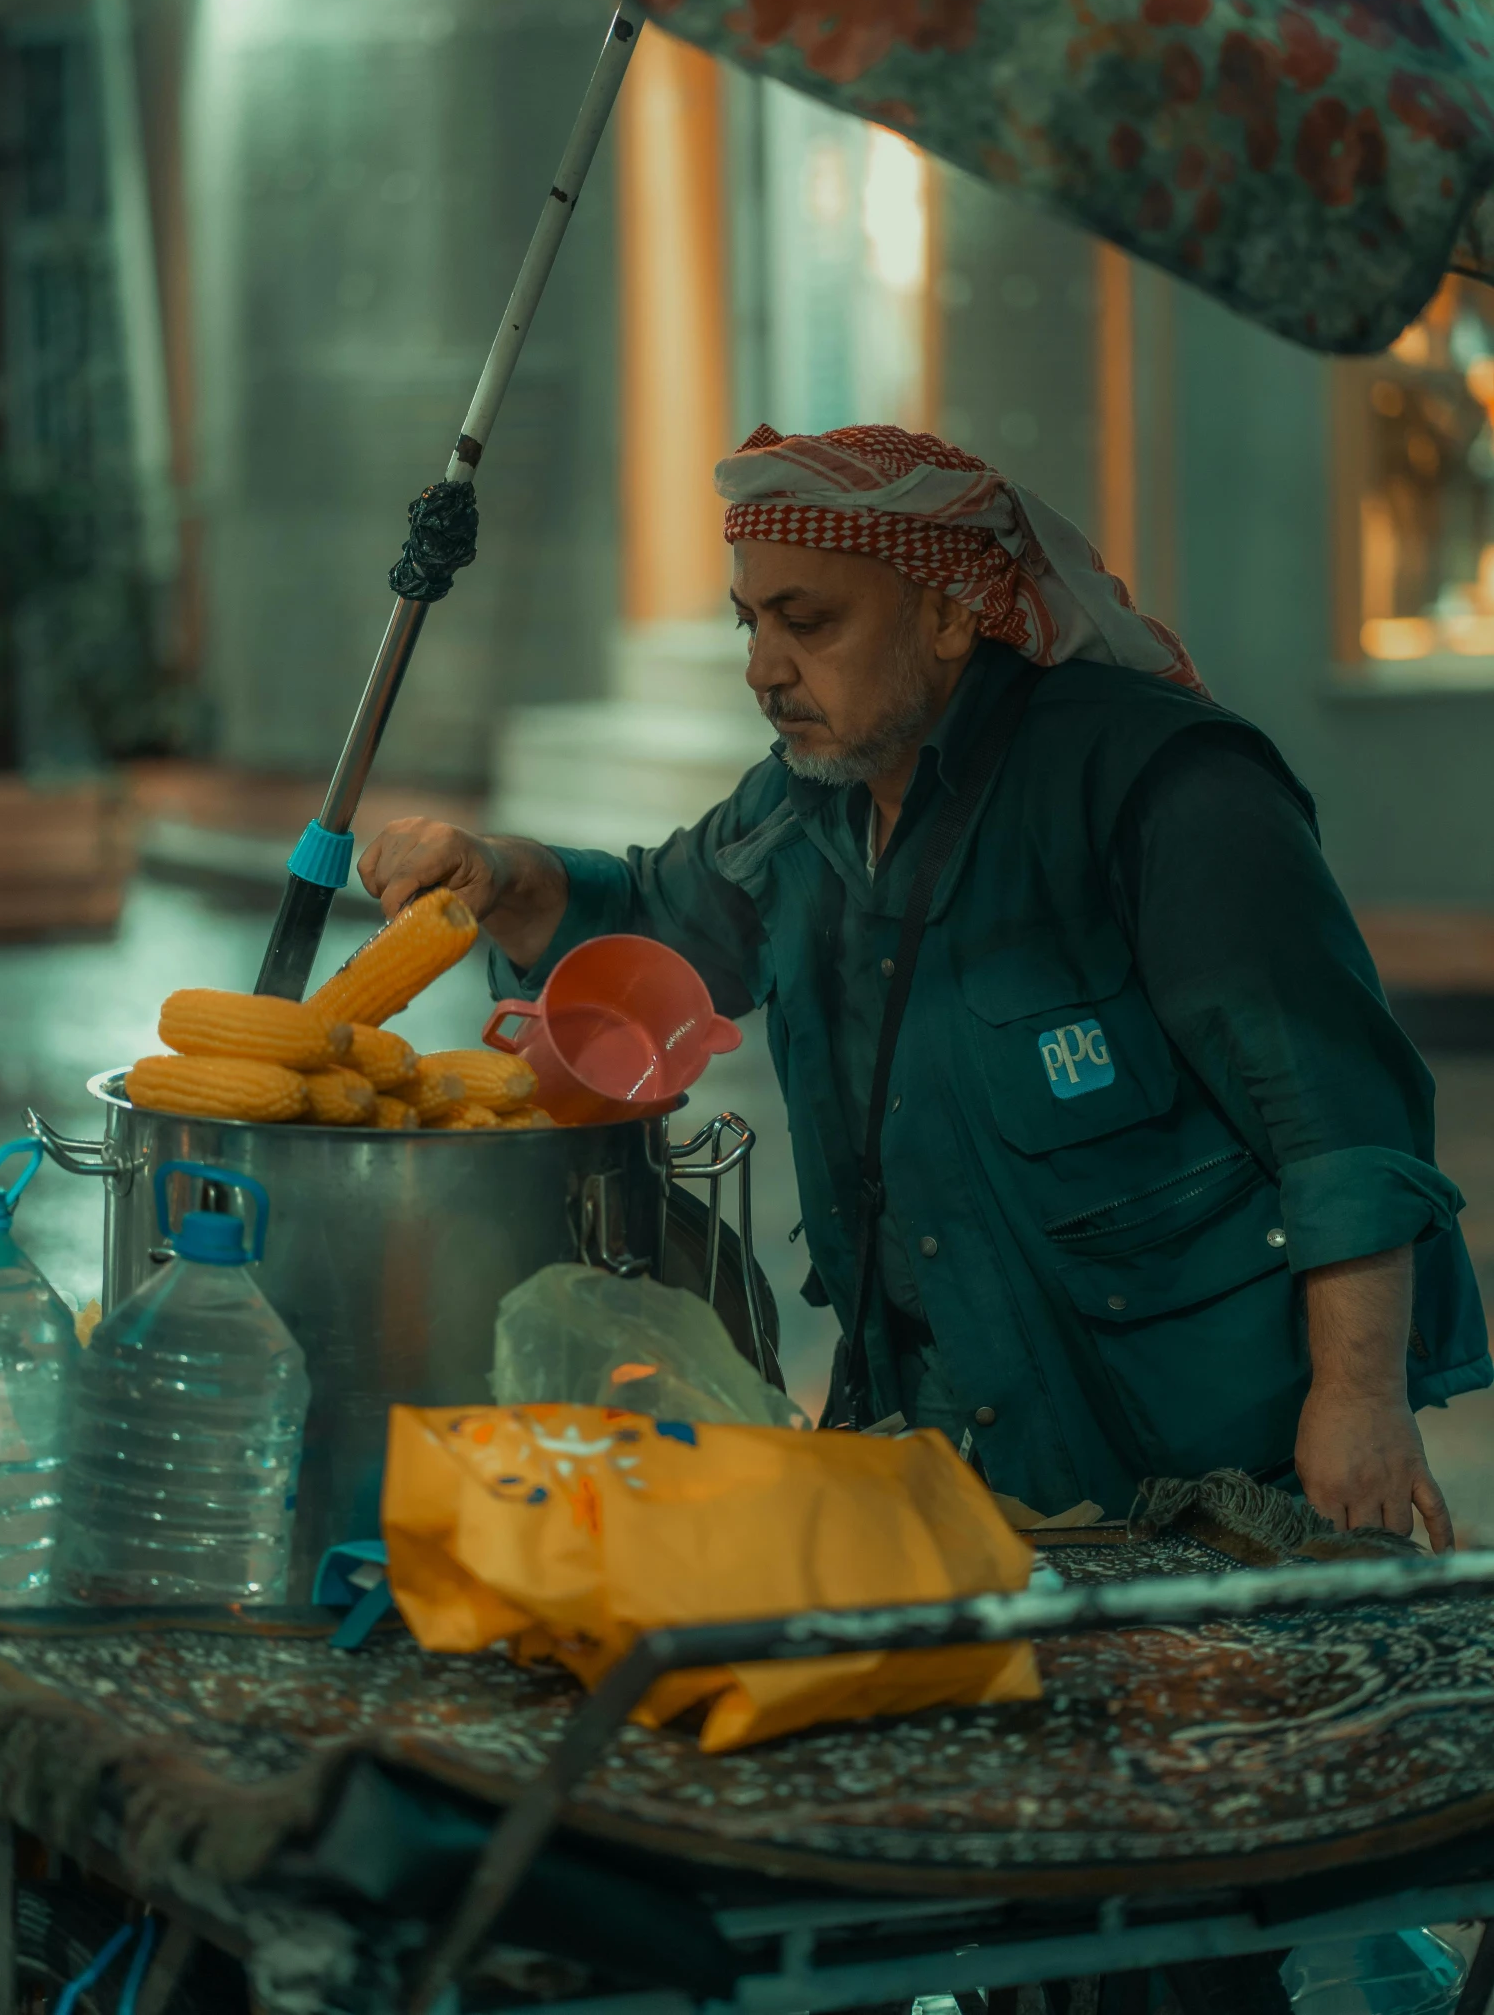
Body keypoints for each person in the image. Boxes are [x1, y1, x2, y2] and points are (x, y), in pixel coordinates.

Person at [359, 421, 1490, 1539]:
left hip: (1187, 1456)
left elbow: (1337, 1120)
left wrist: (1357, 1400)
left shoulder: (1163, 790)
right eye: (750, 622)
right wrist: (499, 874)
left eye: (808, 622)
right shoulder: (804, 805)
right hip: (937, 1427)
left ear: (950, 614)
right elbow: (657, 926)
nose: (763, 668)